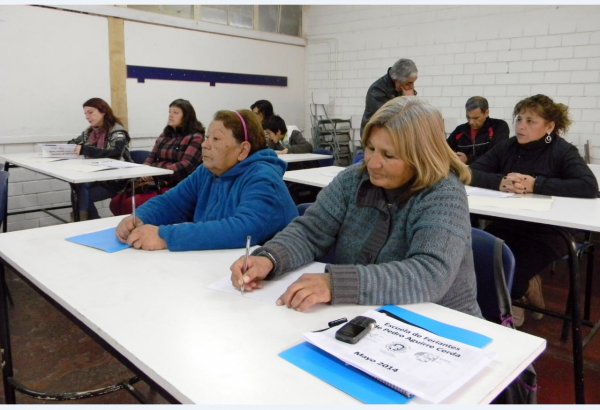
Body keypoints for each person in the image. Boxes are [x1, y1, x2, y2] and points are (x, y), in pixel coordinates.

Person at [230, 96, 481, 317]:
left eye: (389, 155)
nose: (372, 163)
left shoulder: (444, 193)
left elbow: (429, 274)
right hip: (365, 316)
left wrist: (335, 284)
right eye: (370, 148)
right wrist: (269, 258)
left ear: (421, 156)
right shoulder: (354, 180)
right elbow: (310, 231)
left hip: (442, 326)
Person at [470, 94, 598, 326]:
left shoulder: (562, 150)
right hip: (509, 223)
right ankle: (508, 299)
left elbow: (589, 186)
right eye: (519, 119)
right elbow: (471, 171)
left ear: (549, 126)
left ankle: (521, 292)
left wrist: (535, 184)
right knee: (478, 262)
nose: (521, 126)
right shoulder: (507, 146)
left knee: (512, 275)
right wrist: (500, 182)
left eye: (531, 121)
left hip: (548, 231)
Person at [115, 109, 298, 252]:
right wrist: (139, 217)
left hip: (262, 283)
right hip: (216, 266)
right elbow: (172, 202)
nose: (205, 144)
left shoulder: (263, 178)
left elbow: (244, 230)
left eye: (216, 139)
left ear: (242, 150)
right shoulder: (207, 171)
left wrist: (165, 237)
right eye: (206, 137)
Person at [109, 99, 205, 215]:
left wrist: (156, 173)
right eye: (170, 112)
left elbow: (185, 165)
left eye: (175, 112)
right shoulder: (165, 135)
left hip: (175, 183)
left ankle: (139, 228)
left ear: (187, 116)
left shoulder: (195, 137)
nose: (170, 115)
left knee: (130, 205)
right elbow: (151, 157)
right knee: (115, 203)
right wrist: (145, 171)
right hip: (154, 179)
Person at [68, 97, 131, 220]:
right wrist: (64, 148)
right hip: (97, 176)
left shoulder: (117, 131)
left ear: (103, 111)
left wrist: (84, 149)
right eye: (85, 114)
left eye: (90, 112)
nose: (87, 117)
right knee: (78, 187)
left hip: (116, 180)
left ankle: (83, 221)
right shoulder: (90, 132)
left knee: (79, 191)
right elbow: (73, 143)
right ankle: (87, 221)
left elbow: (113, 153)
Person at [360, 58, 418, 134]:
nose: (412, 87)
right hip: (373, 135)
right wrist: (406, 101)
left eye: (413, 82)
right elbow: (391, 120)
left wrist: (411, 102)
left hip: (393, 134)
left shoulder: (403, 88)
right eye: (408, 83)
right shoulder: (376, 91)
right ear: (396, 80)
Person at [446, 96, 510, 164]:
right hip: (463, 172)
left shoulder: (499, 126)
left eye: (476, 118)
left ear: (486, 113)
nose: (471, 122)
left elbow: (497, 156)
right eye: (468, 117)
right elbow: (444, 149)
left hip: (488, 173)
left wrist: (468, 159)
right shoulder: (460, 130)